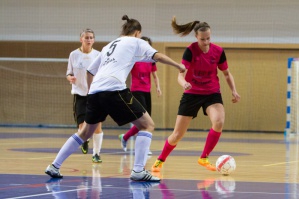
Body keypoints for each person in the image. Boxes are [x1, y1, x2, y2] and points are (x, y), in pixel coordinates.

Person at [45, 14, 185, 182]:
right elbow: (158, 56)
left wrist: (91, 93)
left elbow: (90, 71)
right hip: (114, 89)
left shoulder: (109, 45)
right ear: (137, 33)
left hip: (96, 91)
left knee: (84, 132)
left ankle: (54, 165)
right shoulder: (137, 42)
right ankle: (139, 170)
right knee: (148, 125)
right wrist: (178, 65)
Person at [151, 16, 241, 172]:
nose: (206, 42)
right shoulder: (190, 51)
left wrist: (234, 90)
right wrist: (184, 83)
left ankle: (204, 157)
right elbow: (180, 74)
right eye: (202, 39)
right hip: (192, 93)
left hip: (212, 93)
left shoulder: (218, 51)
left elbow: (226, 73)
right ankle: (160, 160)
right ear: (196, 37)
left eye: (208, 39)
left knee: (219, 121)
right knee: (177, 134)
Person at [118, 36, 162, 155]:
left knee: (147, 121)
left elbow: (155, 75)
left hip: (147, 91)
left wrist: (158, 87)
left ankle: (125, 137)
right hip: (136, 91)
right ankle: (143, 149)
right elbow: (124, 71)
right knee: (143, 121)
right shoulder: (134, 59)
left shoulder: (151, 59)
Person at [66, 28, 104, 163]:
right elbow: (69, 73)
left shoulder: (99, 55)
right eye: (86, 37)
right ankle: (85, 140)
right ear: (81, 39)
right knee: (82, 127)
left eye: (91, 37)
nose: (89, 40)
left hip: (95, 94)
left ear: (94, 40)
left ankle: (97, 153)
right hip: (79, 94)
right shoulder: (73, 55)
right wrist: (70, 77)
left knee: (97, 126)